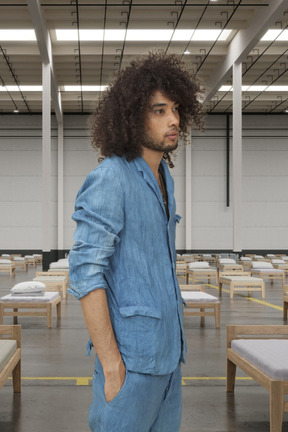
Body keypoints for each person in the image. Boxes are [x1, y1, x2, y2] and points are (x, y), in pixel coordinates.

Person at [68, 52, 204, 432]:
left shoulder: (164, 181)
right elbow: (85, 274)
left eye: (176, 109)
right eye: (159, 110)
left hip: (169, 358)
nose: (174, 120)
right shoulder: (112, 178)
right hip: (130, 366)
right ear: (131, 116)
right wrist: (112, 366)